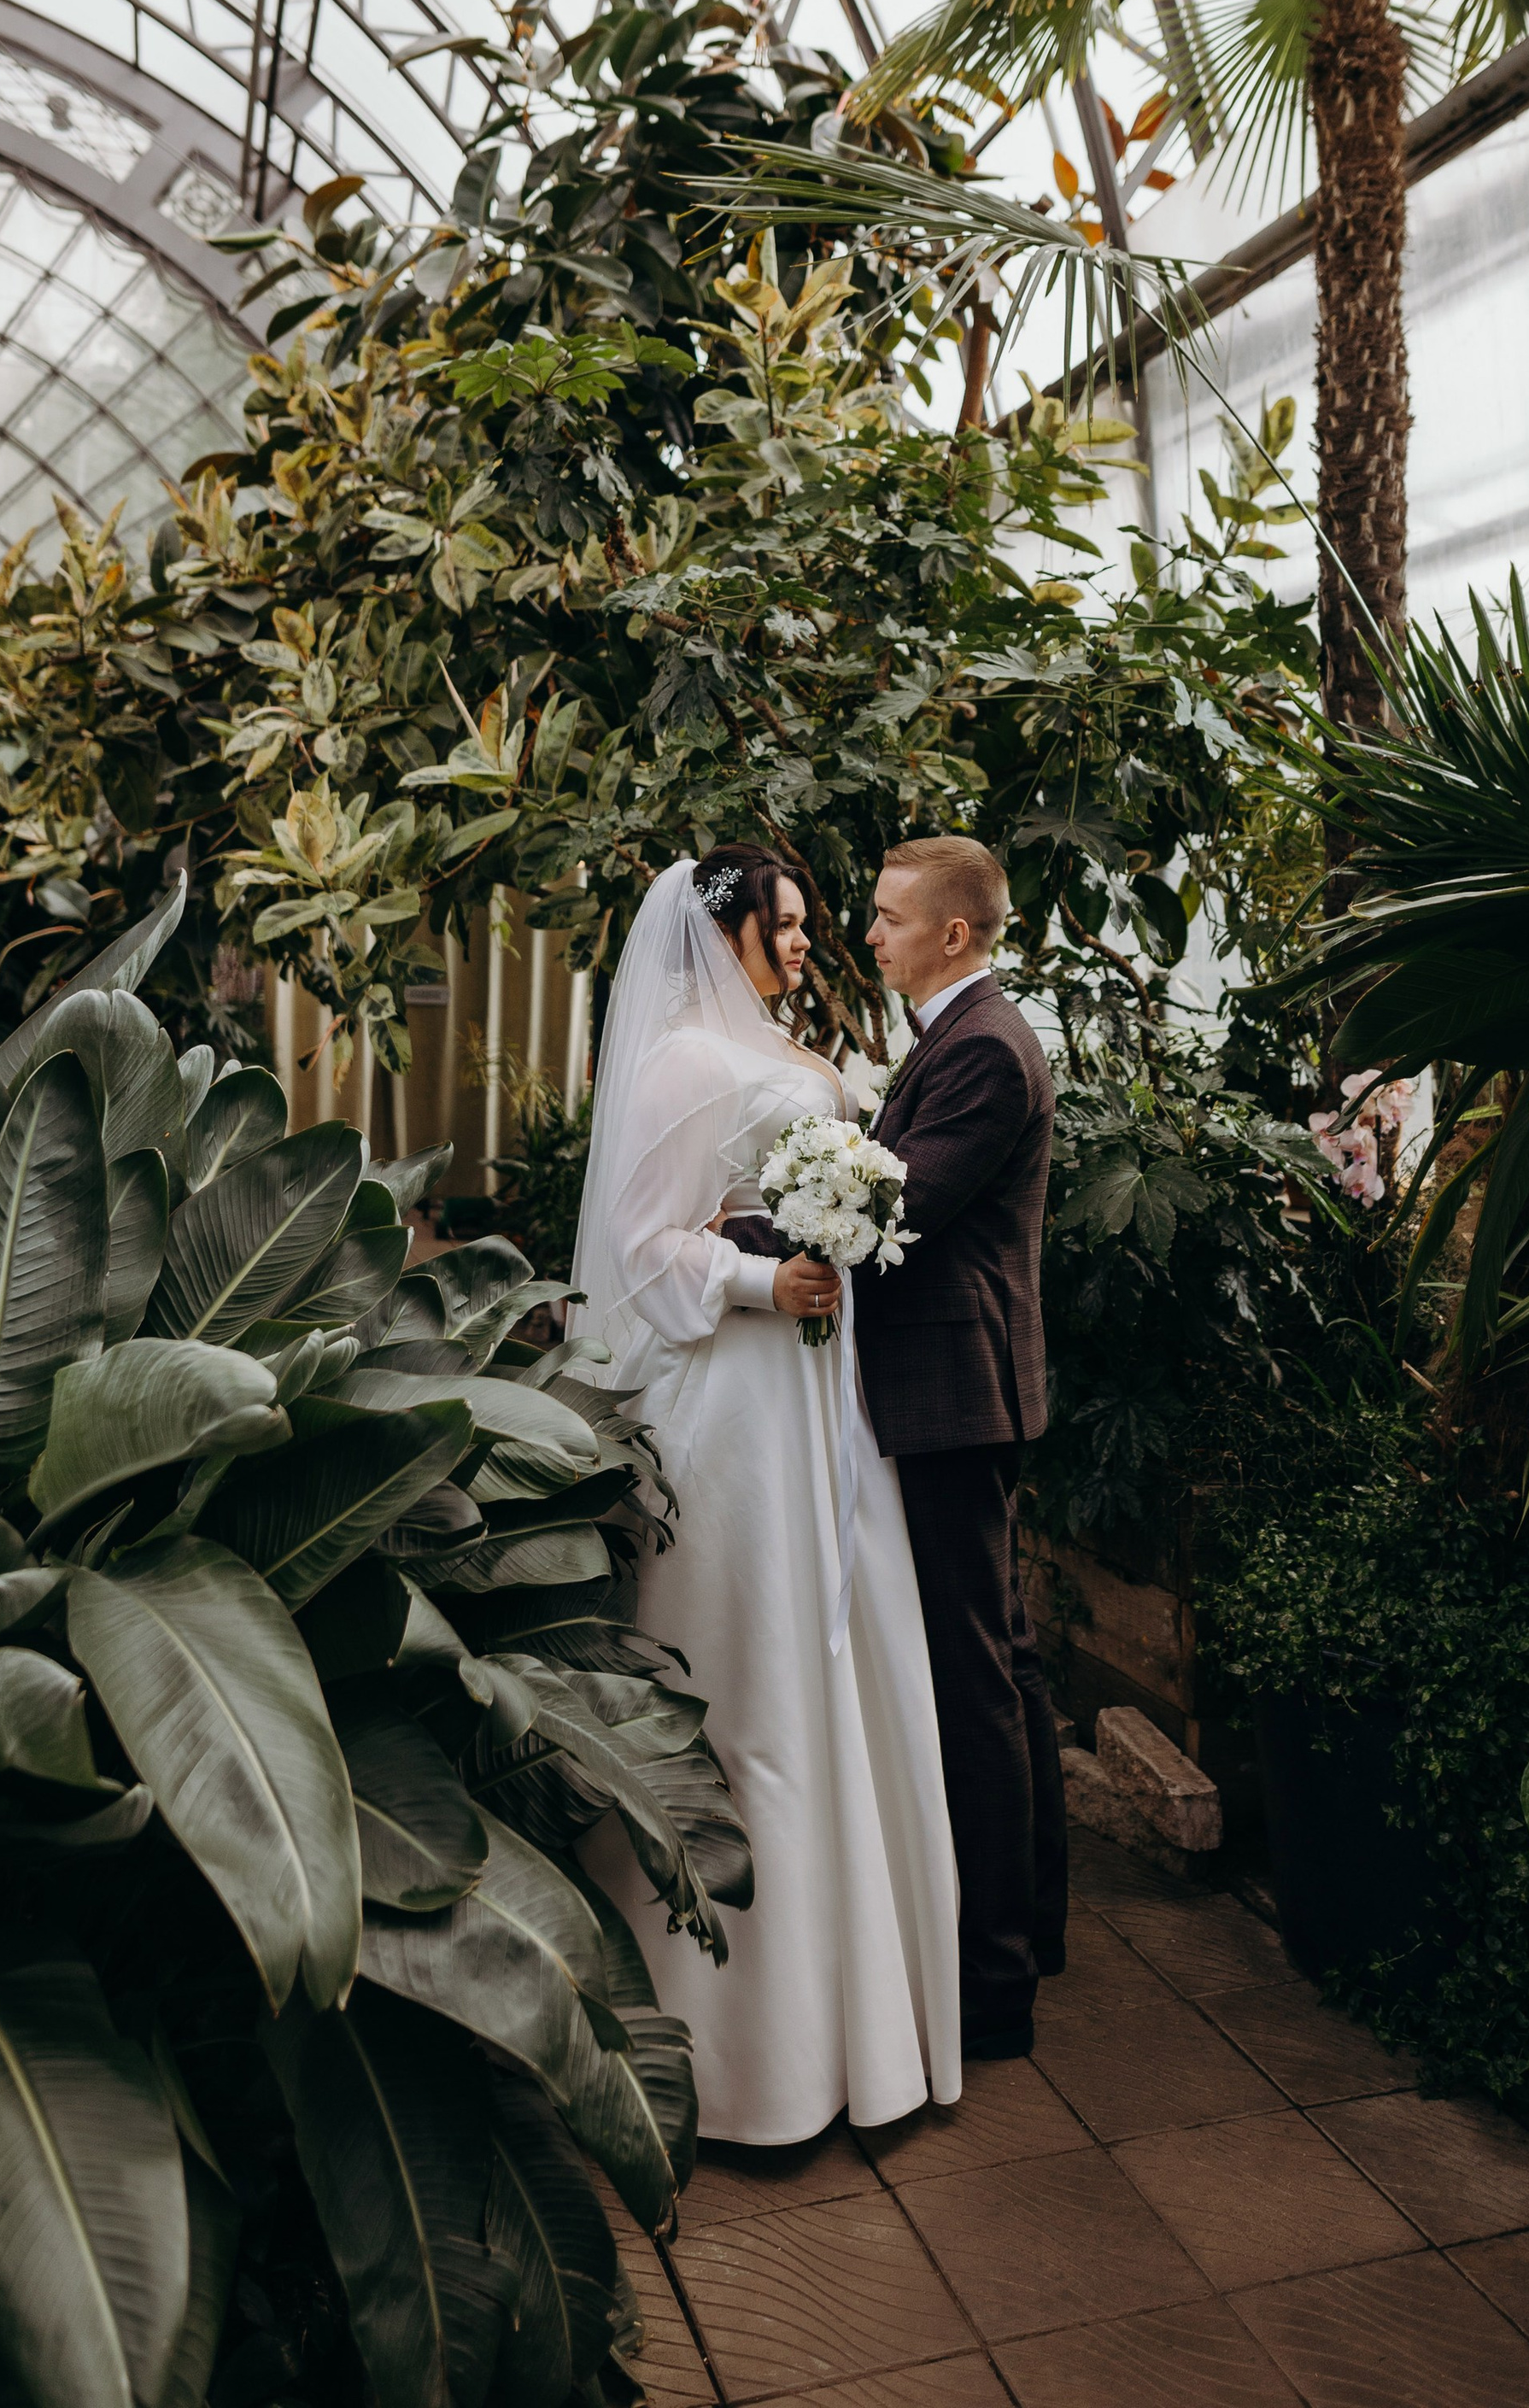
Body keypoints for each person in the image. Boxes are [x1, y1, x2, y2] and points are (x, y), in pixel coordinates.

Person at [570, 847, 961, 2145]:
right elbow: (639, 1246)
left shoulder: (778, 1041)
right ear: (723, 928)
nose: (803, 944)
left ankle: (850, 2034)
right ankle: (742, 2059)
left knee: (840, 1675)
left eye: (805, 924)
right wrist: (759, 1283)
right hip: (737, 1407)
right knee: (757, 1689)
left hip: (817, 1409)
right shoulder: (681, 1058)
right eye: (784, 926)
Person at [861, 835, 1067, 2059]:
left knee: (973, 1679)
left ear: (953, 932)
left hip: (953, 1389)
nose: (870, 934)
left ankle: (994, 1985)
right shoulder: (961, 1035)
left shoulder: (984, 1045)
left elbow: (899, 1200)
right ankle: (1030, 1929)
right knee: (1010, 1664)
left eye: (889, 918)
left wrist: (743, 1223)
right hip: (963, 1388)